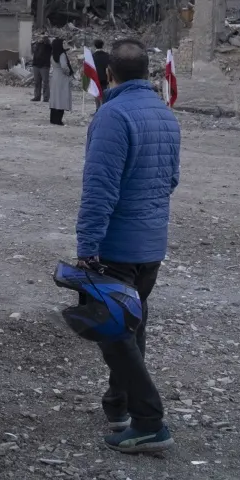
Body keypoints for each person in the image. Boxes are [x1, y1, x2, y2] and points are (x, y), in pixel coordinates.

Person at [76, 38, 181, 454]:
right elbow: (171, 179)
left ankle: (150, 422)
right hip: (151, 246)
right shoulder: (165, 114)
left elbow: (99, 189)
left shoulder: (112, 115)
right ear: (149, 72)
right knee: (131, 327)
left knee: (114, 334)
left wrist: (87, 246)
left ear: (108, 74)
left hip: (116, 247)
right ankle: (118, 406)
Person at [48, 37, 73, 125]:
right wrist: (69, 72)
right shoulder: (62, 54)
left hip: (55, 76)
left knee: (55, 98)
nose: (64, 45)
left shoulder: (52, 54)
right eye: (63, 43)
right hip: (62, 77)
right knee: (61, 97)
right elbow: (64, 67)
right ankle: (58, 119)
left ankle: (53, 118)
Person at [30, 34, 51, 102]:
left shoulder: (48, 46)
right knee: (37, 82)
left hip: (44, 66)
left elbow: (50, 48)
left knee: (45, 82)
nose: (41, 39)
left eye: (43, 38)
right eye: (41, 37)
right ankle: (37, 96)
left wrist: (46, 40)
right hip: (36, 65)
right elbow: (33, 51)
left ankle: (46, 97)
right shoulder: (37, 44)